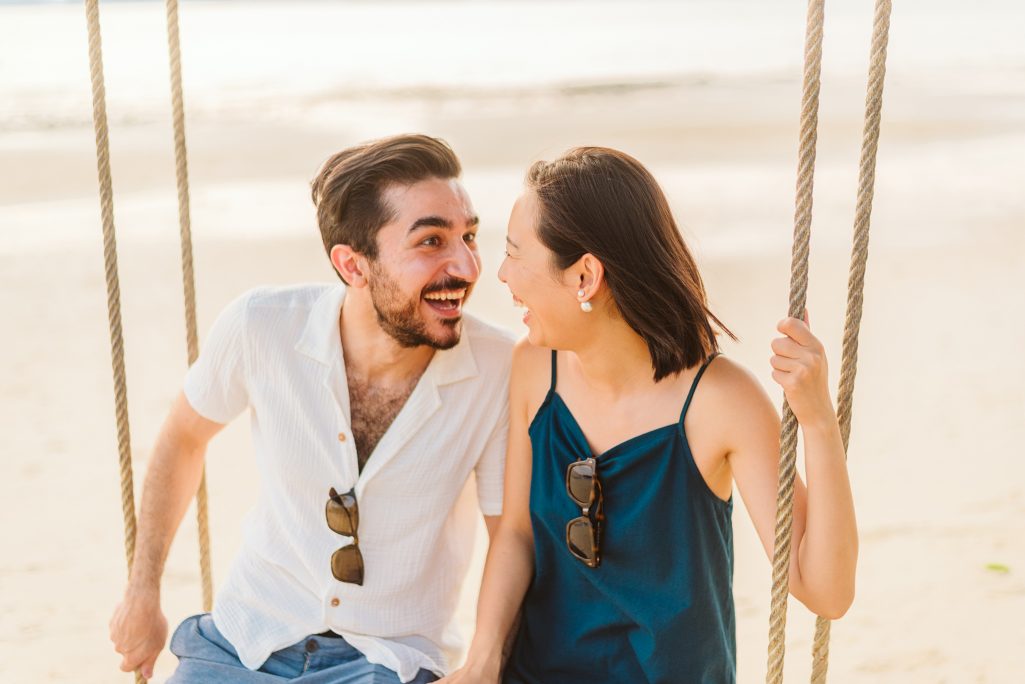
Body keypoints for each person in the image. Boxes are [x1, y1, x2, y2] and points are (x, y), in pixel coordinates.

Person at [441, 147, 858, 683]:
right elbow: (517, 535)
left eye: (516, 254)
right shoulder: (533, 366)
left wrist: (819, 422)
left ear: (585, 276)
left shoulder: (721, 401)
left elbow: (826, 591)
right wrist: (482, 661)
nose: (500, 274)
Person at [108, 134, 516, 683]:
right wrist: (143, 591)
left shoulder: (498, 367)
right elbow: (184, 436)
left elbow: (511, 533)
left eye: (469, 237)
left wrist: (485, 665)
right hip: (242, 640)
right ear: (353, 265)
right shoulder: (261, 324)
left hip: (388, 661)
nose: (465, 265)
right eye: (431, 242)